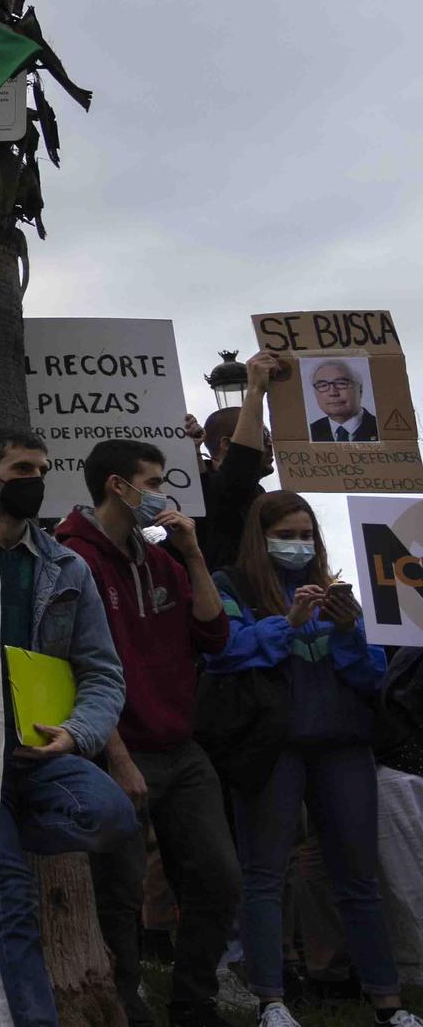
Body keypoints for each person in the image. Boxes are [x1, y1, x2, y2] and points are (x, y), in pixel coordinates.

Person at [0, 428, 134, 1027]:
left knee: (111, 816)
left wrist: (79, 735)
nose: (36, 480)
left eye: (43, 468)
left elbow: (102, 672)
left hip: (39, 755)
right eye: (22, 469)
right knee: (12, 903)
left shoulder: (68, 567)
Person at [204, 492, 418, 1027]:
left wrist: (347, 630)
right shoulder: (232, 585)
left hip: (343, 744)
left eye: (307, 536)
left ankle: (387, 1003)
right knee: (265, 874)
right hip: (272, 748)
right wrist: (290, 621)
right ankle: (270, 999)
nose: (299, 546)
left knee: (358, 878)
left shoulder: (338, 592)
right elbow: (224, 652)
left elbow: (373, 677)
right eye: (289, 535)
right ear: (262, 535)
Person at [55, 439, 237, 1027]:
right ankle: (125, 1002)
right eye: (153, 482)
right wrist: (118, 756)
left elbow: (213, 636)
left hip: (180, 748)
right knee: (119, 892)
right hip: (117, 751)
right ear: (117, 485)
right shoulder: (70, 555)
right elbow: (73, 666)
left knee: (216, 876)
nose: (161, 494)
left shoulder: (160, 559)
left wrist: (194, 554)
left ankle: (194, 1002)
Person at [196, 351, 282, 572]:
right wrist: (254, 391)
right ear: (227, 444)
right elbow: (242, 464)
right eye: (263, 437)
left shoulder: (258, 492)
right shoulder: (207, 491)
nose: (270, 445)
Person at [308, 358, 378, 443]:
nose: (333, 393)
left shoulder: (380, 428)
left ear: (360, 389)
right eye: (323, 385)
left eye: (341, 383)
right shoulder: (309, 432)